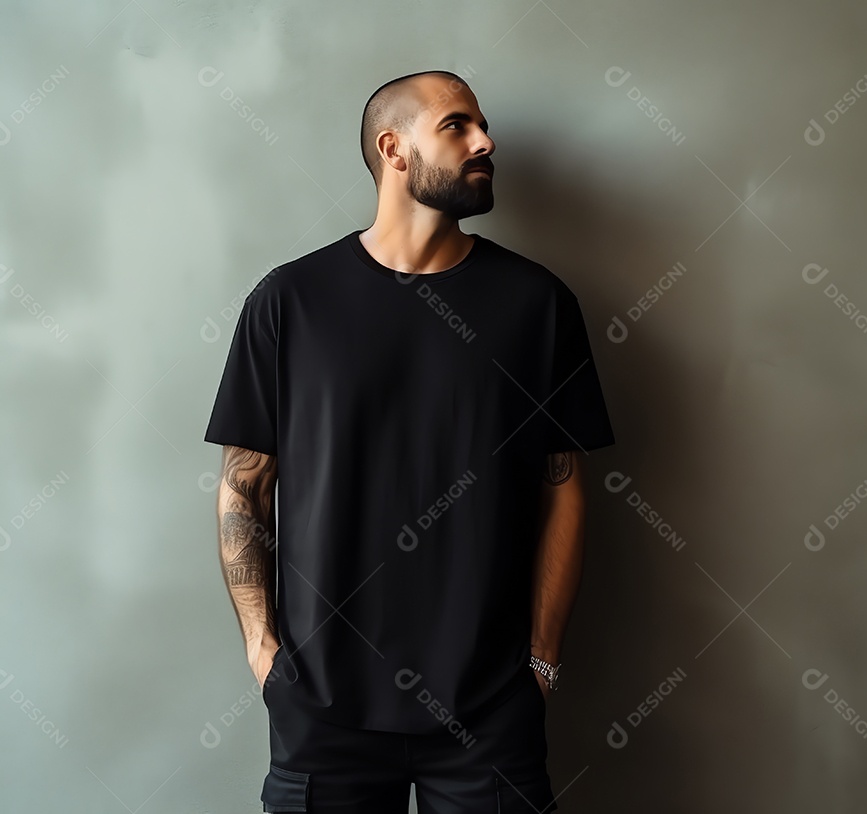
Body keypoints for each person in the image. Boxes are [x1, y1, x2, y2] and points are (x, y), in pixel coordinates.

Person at [204, 69, 616, 814]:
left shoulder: (537, 304)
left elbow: (563, 485)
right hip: (322, 711)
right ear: (393, 149)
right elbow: (244, 484)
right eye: (457, 126)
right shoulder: (290, 302)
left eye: (483, 125)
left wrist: (543, 663)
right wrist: (264, 653)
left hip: (490, 710)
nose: (486, 141)